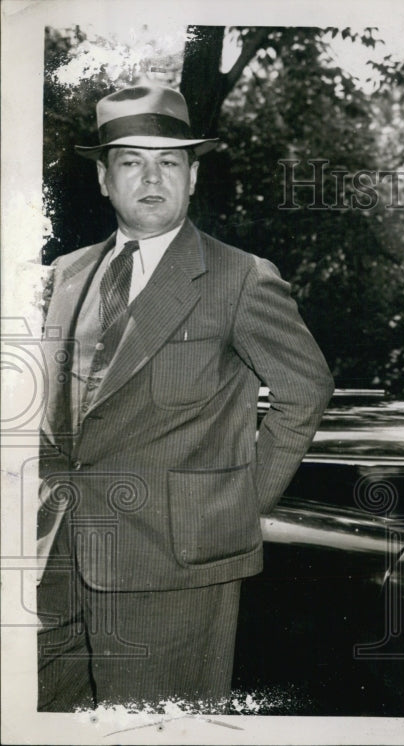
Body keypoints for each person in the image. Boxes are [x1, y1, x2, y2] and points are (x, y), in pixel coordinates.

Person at [36, 85, 335, 711]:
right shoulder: (66, 274)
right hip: (54, 563)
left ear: (193, 177)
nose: (152, 178)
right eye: (131, 161)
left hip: (173, 565)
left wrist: (236, 506)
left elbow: (305, 392)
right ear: (103, 179)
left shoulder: (240, 278)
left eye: (169, 162)